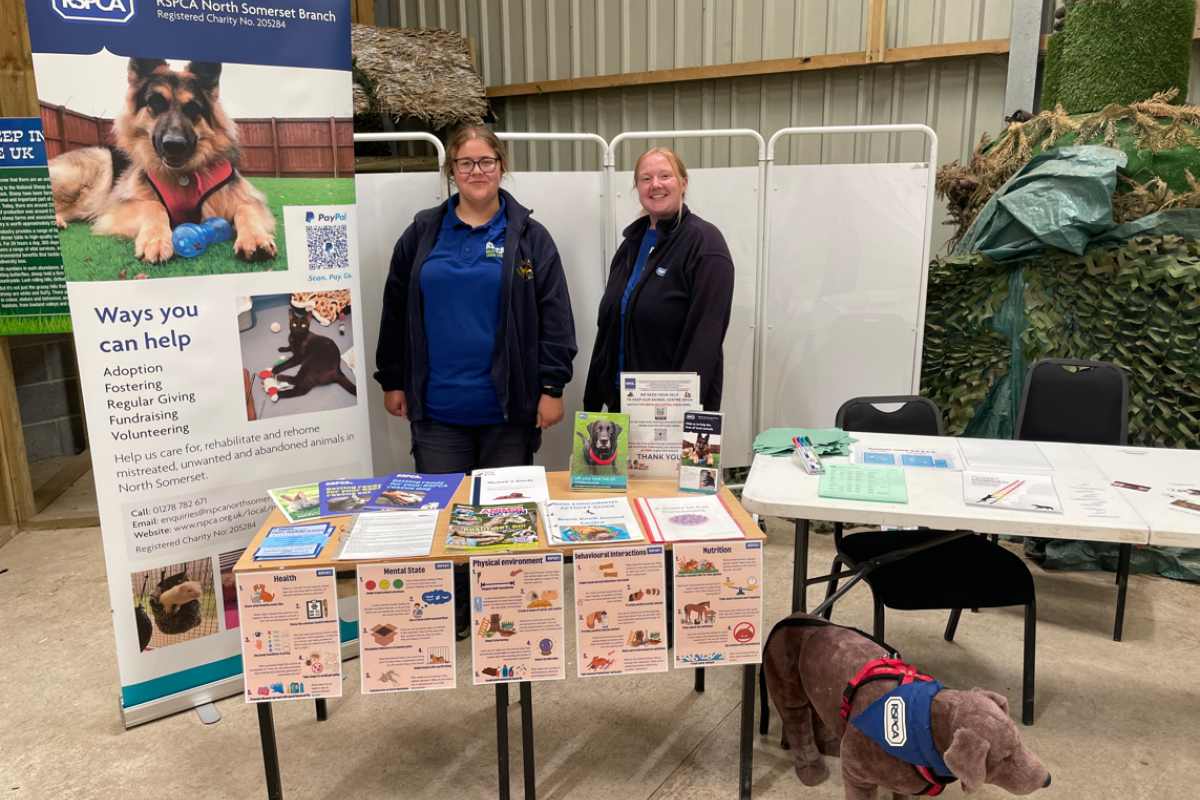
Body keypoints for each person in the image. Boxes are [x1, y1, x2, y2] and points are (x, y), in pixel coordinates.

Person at [374, 126, 577, 474]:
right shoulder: (421, 234)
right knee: (441, 515)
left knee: (505, 520)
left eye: (486, 161)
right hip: (438, 411)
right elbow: (395, 312)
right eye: (465, 163)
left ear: (501, 166)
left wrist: (553, 388)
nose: (477, 171)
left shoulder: (531, 237)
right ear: (451, 170)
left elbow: (555, 317)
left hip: (508, 414)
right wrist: (392, 381)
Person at [583, 147, 734, 413]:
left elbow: (704, 338)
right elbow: (607, 328)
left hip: (669, 412)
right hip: (621, 402)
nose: (655, 185)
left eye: (665, 176)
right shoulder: (630, 244)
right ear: (637, 187)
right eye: (646, 178)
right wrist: (592, 401)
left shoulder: (704, 243)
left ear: (684, 183)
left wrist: (680, 412)